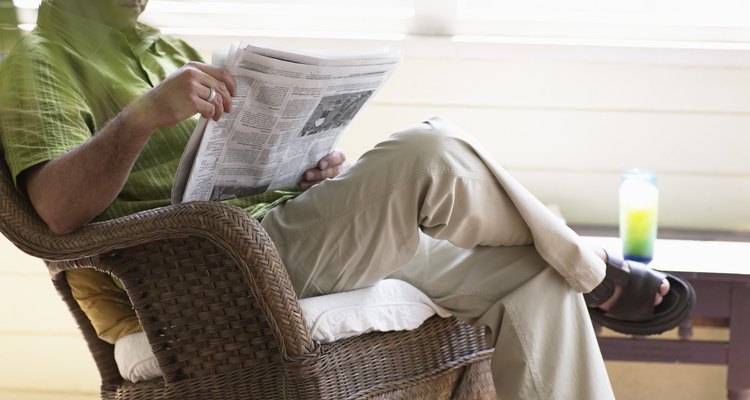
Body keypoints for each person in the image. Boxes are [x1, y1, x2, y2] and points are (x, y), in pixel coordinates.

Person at [0, 1, 695, 398]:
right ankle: (600, 270)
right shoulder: (37, 60)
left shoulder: (161, 45)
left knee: (531, 276)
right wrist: (146, 114)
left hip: (273, 231)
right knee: (430, 150)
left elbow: (214, 168)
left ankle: (577, 269)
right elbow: (56, 211)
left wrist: (306, 171)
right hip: (211, 274)